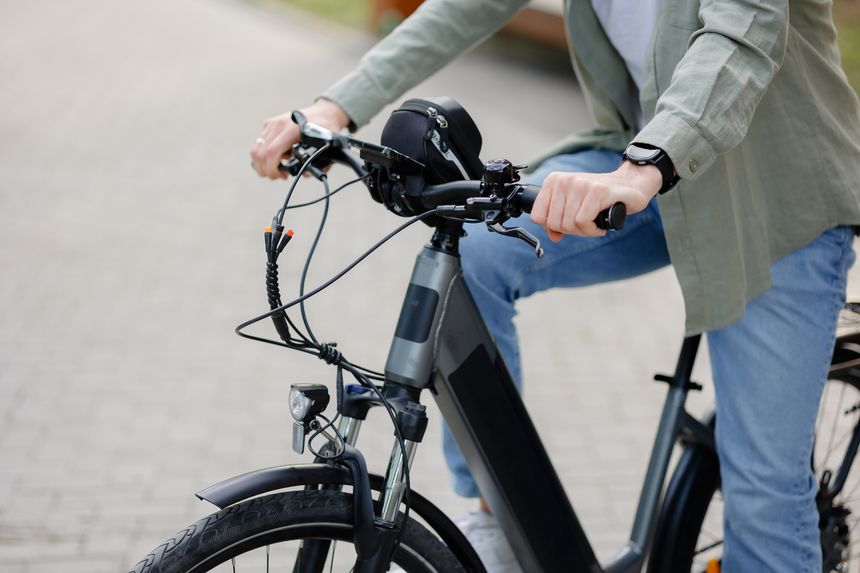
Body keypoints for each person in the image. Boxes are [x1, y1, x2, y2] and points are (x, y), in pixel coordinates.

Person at [250, 0, 860, 570]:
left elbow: (742, 30)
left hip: (772, 200)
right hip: (638, 170)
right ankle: (499, 521)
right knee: (481, 251)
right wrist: (337, 107)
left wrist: (648, 163)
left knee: (762, 489)